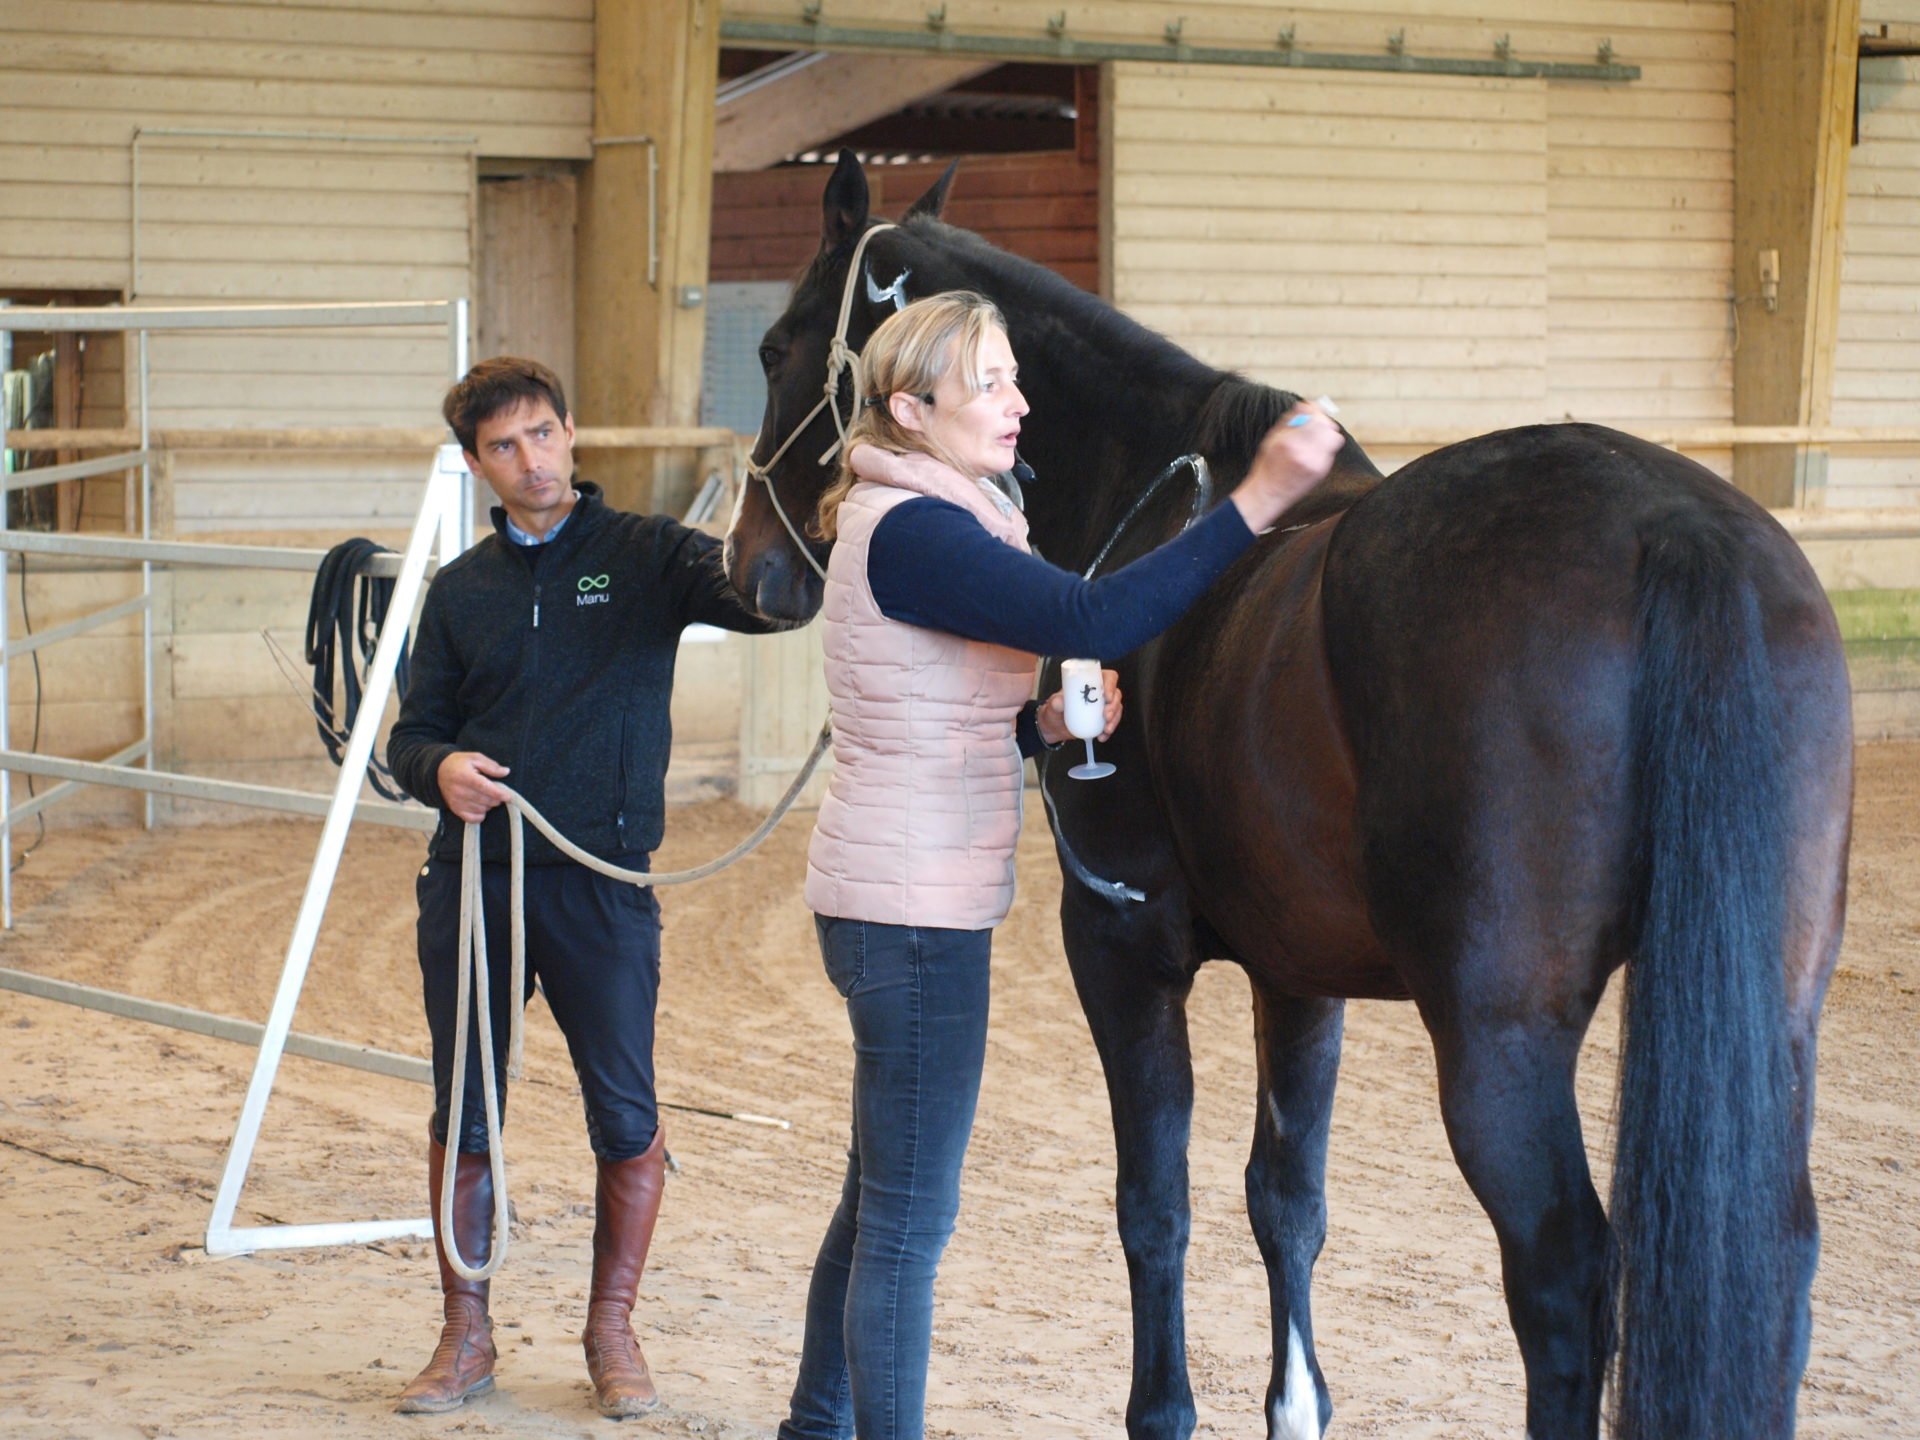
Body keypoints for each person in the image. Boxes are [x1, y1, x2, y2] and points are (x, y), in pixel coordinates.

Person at [780, 291, 1344, 1439]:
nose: (1018, 403)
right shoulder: (923, 531)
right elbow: (1098, 607)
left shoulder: (929, 516)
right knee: (907, 1220)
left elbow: (921, 704)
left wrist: (1029, 730)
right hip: (912, 913)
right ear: (909, 408)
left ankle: (816, 1422)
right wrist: (1260, 501)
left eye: (1014, 378)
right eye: (987, 382)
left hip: (895, 889)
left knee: (876, 1196)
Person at [386, 356, 790, 1418]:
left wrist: (811, 523)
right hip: (475, 881)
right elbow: (411, 734)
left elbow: (767, 601)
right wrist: (440, 770)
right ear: (477, 462)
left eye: (545, 435)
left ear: (573, 435)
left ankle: (612, 1332)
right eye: (506, 446)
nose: (532, 460)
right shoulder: (459, 590)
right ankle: (464, 1335)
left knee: (625, 1109)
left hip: (602, 888)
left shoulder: (648, 554)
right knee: (465, 1105)